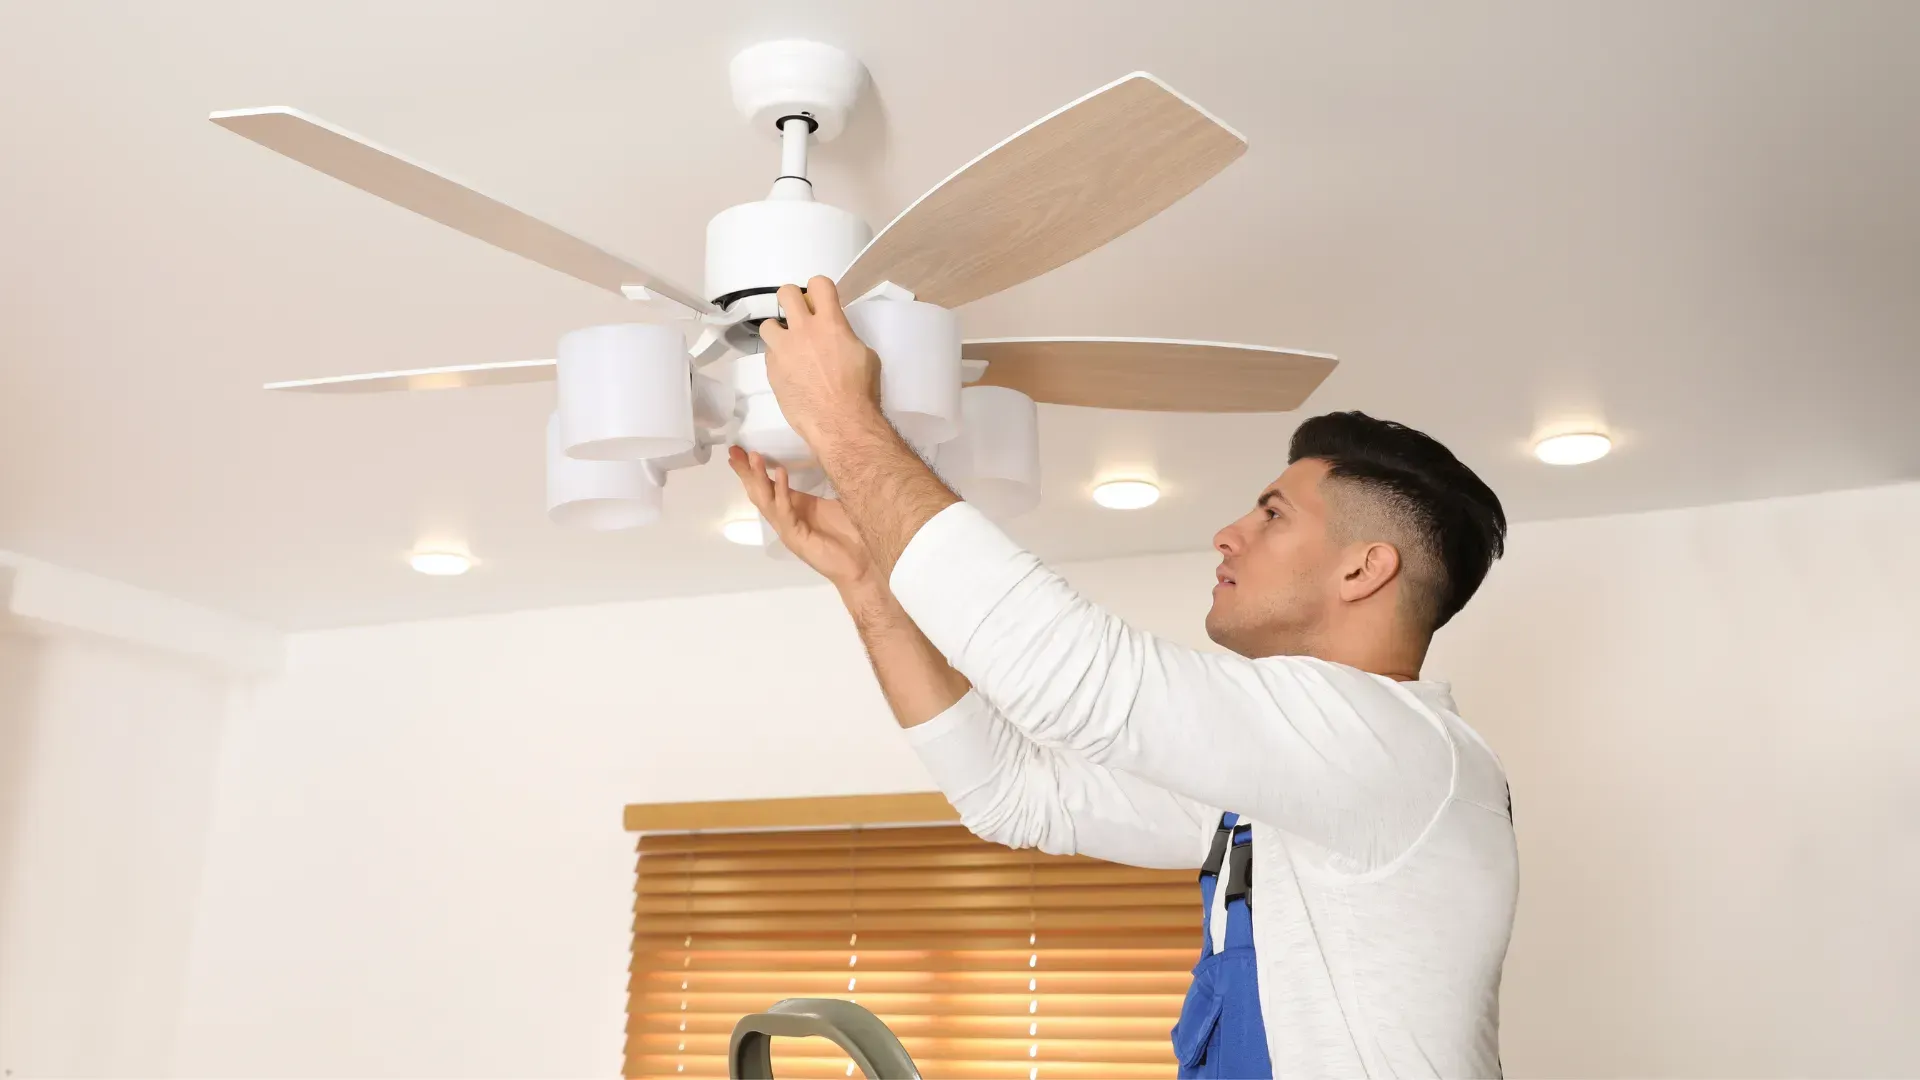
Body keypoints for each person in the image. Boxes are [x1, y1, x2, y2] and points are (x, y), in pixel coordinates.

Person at [727, 276, 1518, 1079]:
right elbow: (1014, 794)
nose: (1227, 533)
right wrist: (871, 584)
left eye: (1273, 513)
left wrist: (842, 418)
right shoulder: (1298, 793)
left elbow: (1077, 678)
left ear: (1364, 570)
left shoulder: (1394, 746)